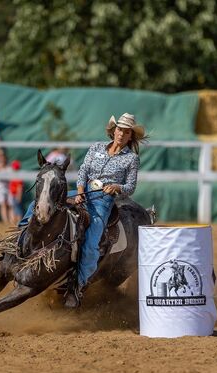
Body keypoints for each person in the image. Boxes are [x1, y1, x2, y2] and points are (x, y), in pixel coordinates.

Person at [20, 113, 145, 308]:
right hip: (83, 190)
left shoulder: (131, 159)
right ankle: (20, 238)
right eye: (120, 129)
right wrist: (79, 191)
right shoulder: (95, 147)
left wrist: (116, 187)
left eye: (126, 131)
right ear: (114, 131)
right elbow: (83, 172)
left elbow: (130, 187)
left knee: (91, 242)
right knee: (39, 202)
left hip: (103, 200)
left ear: (131, 136)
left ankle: (76, 287)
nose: (121, 134)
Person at [0, 148, 12, 224]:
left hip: (8, 187)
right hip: (0, 187)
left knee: (9, 204)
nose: (1, 158)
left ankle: (11, 220)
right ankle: (5, 220)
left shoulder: (8, 166)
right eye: (0, 156)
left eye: (2, 156)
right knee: (3, 204)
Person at [8, 159, 24, 225]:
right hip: (12, 194)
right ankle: (13, 221)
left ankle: (19, 222)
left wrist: (19, 196)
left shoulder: (18, 176)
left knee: (18, 209)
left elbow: (19, 188)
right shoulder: (14, 175)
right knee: (13, 208)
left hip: (16, 195)